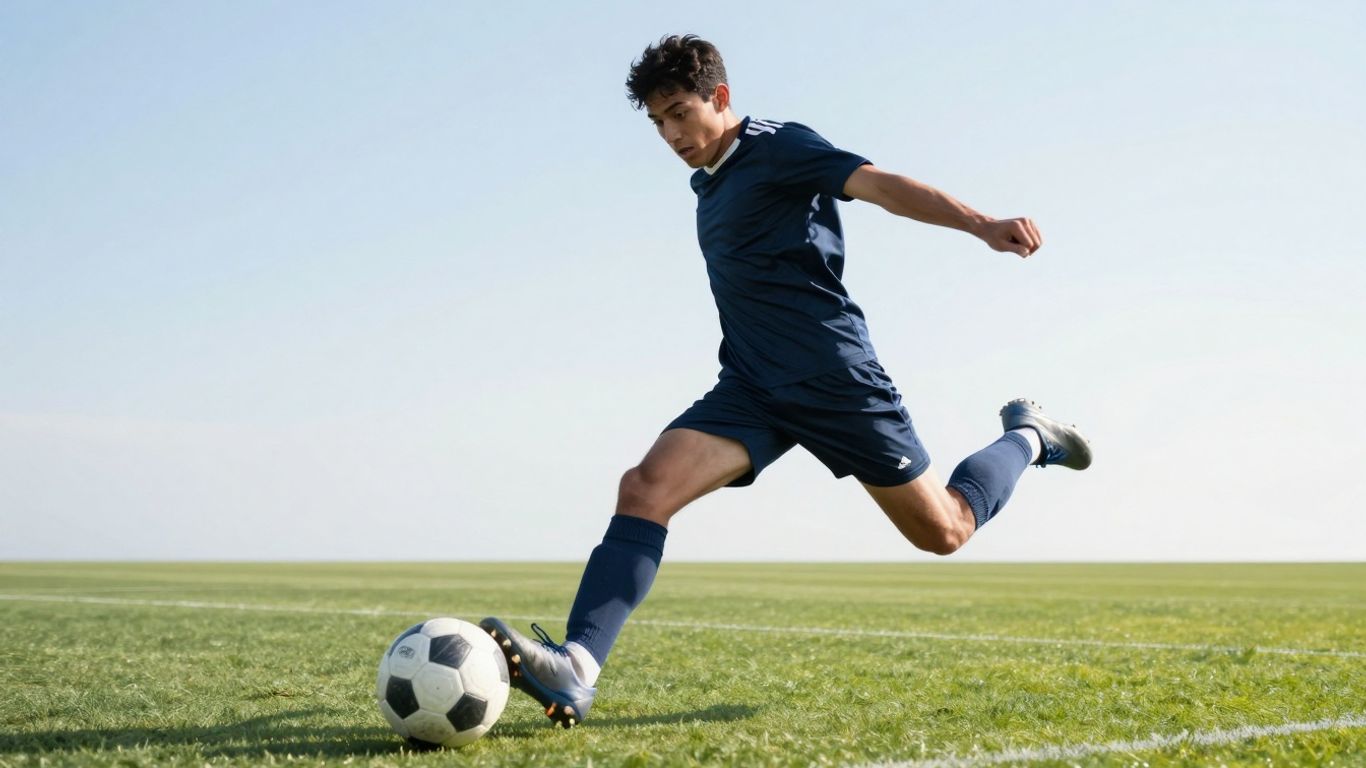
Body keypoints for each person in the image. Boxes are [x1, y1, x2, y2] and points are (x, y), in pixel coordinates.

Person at [480, 34, 1091, 728]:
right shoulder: (708, 184)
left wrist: (981, 223)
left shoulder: (779, 146)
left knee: (944, 530)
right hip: (750, 386)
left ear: (721, 97)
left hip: (834, 378)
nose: (671, 134)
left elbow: (881, 185)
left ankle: (1030, 438)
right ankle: (578, 670)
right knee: (644, 488)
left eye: (680, 112)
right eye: (657, 122)